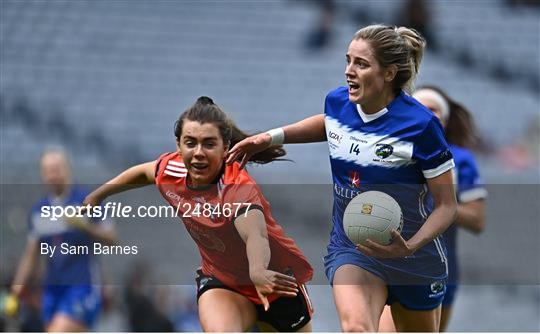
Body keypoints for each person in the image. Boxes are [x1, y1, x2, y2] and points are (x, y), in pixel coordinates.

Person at [227, 24, 457, 332]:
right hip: (354, 247)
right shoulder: (338, 103)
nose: (349, 71)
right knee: (356, 329)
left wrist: (410, 246)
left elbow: (446, 207)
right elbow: (329, 123)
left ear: (389, 73)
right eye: (348, 60)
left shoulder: (422, 125)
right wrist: (270, 137)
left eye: (361, 64)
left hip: (413, 258)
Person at [83, 97, 314, 332]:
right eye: (190, 143)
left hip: (274, 282)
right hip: (223, 282)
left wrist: (257, 272)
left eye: (209, 144)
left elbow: (256, 235)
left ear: (225, 147)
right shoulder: (171, 169)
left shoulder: (237, 186)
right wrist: (99, 195)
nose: (198, 153)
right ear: (178, 145)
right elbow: (143, 173)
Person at [379, 86, 487, 332]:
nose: (427, 114)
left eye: (434, 109)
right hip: (395, 264)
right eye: (420, 108)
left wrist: (440, 205)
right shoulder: (389, 152)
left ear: (445, 121)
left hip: (442, 269)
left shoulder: (460, 160)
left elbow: (477, 220)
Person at [11, 149, 117, 331]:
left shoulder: (87, 201)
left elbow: (112, 238)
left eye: (57, 169)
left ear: (67, 169)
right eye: (48, 170)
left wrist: (84, 226)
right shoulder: (39, 211)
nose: (53, 175)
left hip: (82, 288)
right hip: (52, 290)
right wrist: (17, 288)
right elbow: (31, 254)